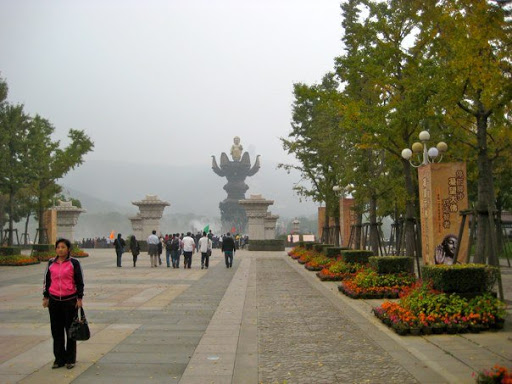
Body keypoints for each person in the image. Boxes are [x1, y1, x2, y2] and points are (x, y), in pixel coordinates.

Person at [42, 238, 84, 370]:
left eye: (63, 247)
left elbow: (79, 280)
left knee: (70, 331)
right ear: (56, 249)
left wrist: (79, 298)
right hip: (54, 301)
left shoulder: (74, 263)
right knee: (56, 331)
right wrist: (45, 297)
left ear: (68, 249)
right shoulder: (50, 263)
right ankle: (59, 359)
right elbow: (46, 281)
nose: (60, 249)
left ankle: (70, 359)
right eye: (58, 247)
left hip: (70, 300)